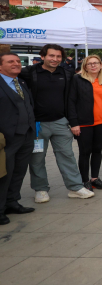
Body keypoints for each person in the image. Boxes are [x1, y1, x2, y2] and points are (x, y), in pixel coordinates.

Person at [20, 44, 92, 202]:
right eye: (51, 56)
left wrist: (73, 122)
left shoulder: (66, 73)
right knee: (37, 159)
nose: (55, 59)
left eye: (58, 56)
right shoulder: (29, 72)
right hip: (37, 125)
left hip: (60, 122)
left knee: (67, 156)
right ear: (43, 56)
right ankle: (40, 189)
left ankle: (75, 187)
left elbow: (71, 99)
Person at [0, 53, 38, 225]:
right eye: (10, 61)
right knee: (4, 174)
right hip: (6, 138)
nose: (16, 64)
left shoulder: (21, 82)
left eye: (17, 61)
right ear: (0, 66)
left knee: (19, 171)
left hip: (26, 135)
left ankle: (12, 202)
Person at [68, 55, 102, 190]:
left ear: (101, 65)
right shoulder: (77, 79)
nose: (93, 65)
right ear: (85, 66)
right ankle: (84, 180)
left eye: (96, 63)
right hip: (84, 123)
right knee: (85, 152)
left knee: (97, 150)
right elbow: (71, 102)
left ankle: (95, 178)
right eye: (89, 64)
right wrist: (74, 123)